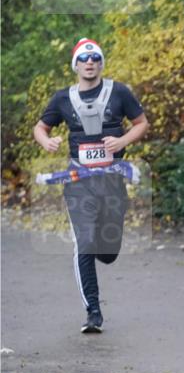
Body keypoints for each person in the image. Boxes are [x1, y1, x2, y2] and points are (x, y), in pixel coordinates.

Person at [32, 38, 149, 333]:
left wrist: (122, 141)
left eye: (95, 57)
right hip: (79, 182)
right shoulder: (62, 99)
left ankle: (96, 244)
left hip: (111, 181)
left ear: (100, 62)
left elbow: (142, 123)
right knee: (84, 244)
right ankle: (93, 312)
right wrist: (47, 141)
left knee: (108, 253)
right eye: (84, 59)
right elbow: (40, 127)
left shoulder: (119, 92)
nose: (90, 62)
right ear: (76, 64)